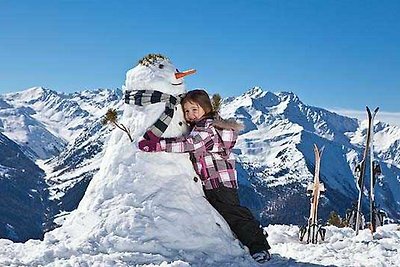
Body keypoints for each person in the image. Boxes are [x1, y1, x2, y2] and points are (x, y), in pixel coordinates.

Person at [138, 89, 271, 263]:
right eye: (186, 111)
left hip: (220, 182)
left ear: (206, 108)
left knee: (233, 213)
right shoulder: (202, 126)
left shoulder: (207, 128)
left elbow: (190, 144)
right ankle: (248, 239)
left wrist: (158, 145)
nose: (190, 115)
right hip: (213, 182)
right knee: (226, 213)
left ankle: (259, 246)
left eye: (195, 110)